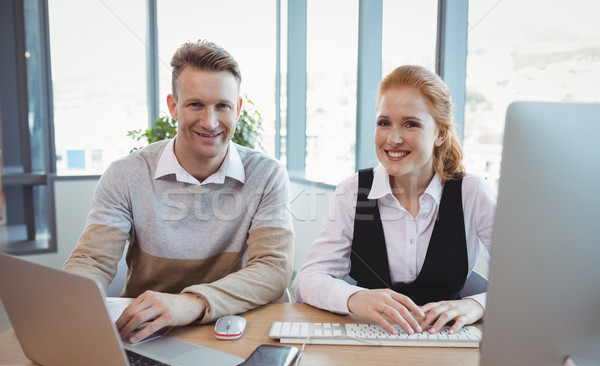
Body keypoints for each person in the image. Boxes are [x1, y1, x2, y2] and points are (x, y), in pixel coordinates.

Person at [65, 39, 294, 343]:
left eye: (222, 106)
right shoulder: (125, 174)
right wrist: (71, 307)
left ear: (237, 108)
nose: (210, 122)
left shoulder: (266, 175)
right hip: (143, 333)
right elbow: (92, 261)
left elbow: (273, 269)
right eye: (195, 104)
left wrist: (192, 302)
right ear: (173, 106)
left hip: (228, 330)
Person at [292, 65, 496, 336]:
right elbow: (306, 280)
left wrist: (476, 305)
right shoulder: (353, 192)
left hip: (447, 343)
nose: (393, 138)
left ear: (440, 134)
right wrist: (355, 298)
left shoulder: (472, 192)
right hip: (368, 337)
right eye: (384, 123)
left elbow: (524, 281)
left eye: (411, 124)